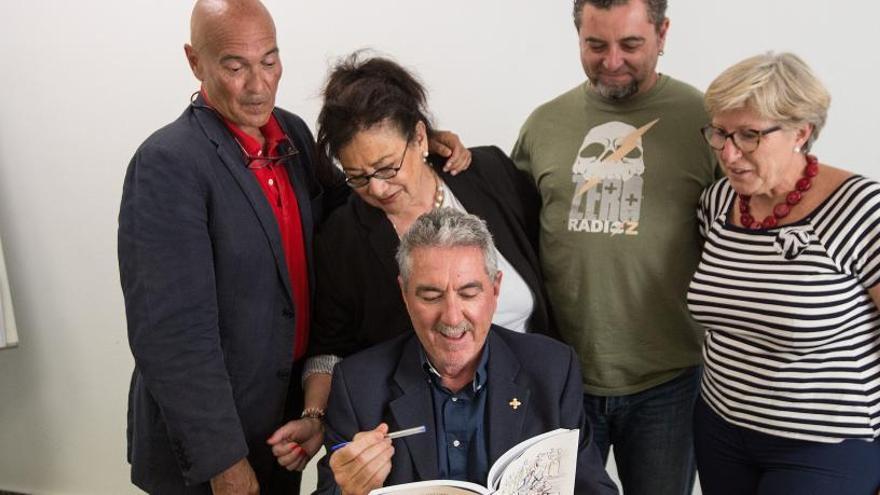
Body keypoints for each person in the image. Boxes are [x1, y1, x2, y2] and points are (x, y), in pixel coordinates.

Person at [117, 1, 469, 493]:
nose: (258, 84)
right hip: (212, 446)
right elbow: (170, 334)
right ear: (196, 62)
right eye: (235, 66)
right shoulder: (168, 164)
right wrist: (225, 463)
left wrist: (422, 150)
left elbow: (355, 202)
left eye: (269, 60)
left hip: (280, 430)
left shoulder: (294, 137)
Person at [266, 53, 557, 471]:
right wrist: (315, 416)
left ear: (421, 138)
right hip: (422, 439)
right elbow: (329, 349)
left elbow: (547, 267)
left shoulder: (488, 172)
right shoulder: (343, 237)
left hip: (528, 412)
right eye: (358, 176)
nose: (378, 188)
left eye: (387, 167)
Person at [510, 1, 718, 493]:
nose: (612, 61)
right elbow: (509, 232)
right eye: (595, 45)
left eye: (630, 44)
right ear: (577, 35)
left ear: (663, 33)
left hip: (668, 377)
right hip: (563, 377)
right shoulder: (544, 124)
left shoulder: (705, 121)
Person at [312, 208, 618, 495]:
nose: (452, 317)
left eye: (469, 293)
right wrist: (348, 490)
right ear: (404, 294)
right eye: (431, 296)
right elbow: (329, 488)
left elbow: (593, 488)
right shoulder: (357, 384)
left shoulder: (552, 369)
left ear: (495, 290)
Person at [687, 52, 880, 494]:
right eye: (720, 133)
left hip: (826, 444)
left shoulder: (862, 209)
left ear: (801, 131)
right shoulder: (717, 202)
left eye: (750, 136)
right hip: (720, 427)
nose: (729, 154)